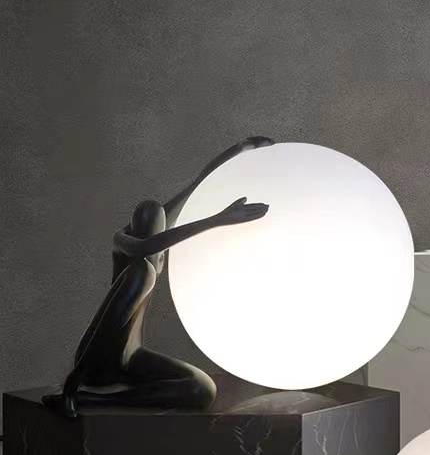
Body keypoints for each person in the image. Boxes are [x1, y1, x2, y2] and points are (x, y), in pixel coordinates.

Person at [43, 137, 274, 418]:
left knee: (202, 389)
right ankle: (77, 388)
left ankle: (92, 400)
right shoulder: (125, 242)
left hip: (131, 357)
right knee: (144, 272)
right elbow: (145, 248)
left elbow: (196, 186)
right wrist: (218, 220)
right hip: (97, 361)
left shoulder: (157, 236)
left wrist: (242, 148)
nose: (156, 234)